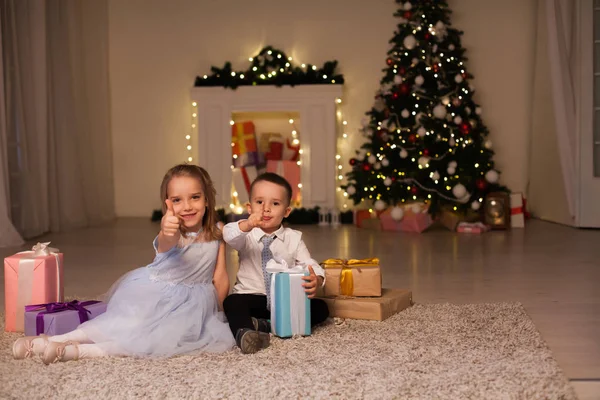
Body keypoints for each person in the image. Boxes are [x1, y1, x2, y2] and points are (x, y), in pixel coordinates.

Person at [13, 164, 235, 364]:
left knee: (154, 341)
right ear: (167, 204)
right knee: (123, 325)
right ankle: (53, 340)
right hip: (156, 294)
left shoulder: (217, 231)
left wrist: (219, 310)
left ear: (207, 198)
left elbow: (220, 275)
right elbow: (166, 242)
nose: (187, 206)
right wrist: (168, 230)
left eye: (195, 197)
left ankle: (76, 352)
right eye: (177, 200)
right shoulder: (172, 230)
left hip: (193, 304)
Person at [223, 172, 329, 354]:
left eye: (275, 203)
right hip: (252, 297)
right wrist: (247, 225)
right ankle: (246, 333)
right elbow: (228, 235)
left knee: (322, 308)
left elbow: (309, 263)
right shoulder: (245, 235)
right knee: (232, 302)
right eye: (259, 202)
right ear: (249, 207)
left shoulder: (293, 238)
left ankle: (264, 325)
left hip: (284, 300)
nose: (266, 209)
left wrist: (317, 279)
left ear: (286, 211)